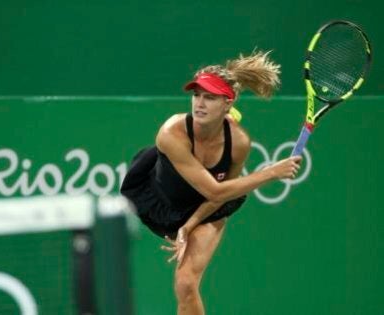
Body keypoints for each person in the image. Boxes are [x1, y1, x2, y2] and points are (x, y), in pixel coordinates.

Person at [120, 51, 302, 315]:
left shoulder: (239, 143)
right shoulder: (172, 132)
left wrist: (190, 225)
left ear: (229, 103)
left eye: (210, 97)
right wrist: (271, 172)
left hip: (205, 207)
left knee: (185, 284)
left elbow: (220, 196)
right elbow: (214, 188)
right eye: (196, 95)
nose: (199, 103)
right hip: (161, 196)